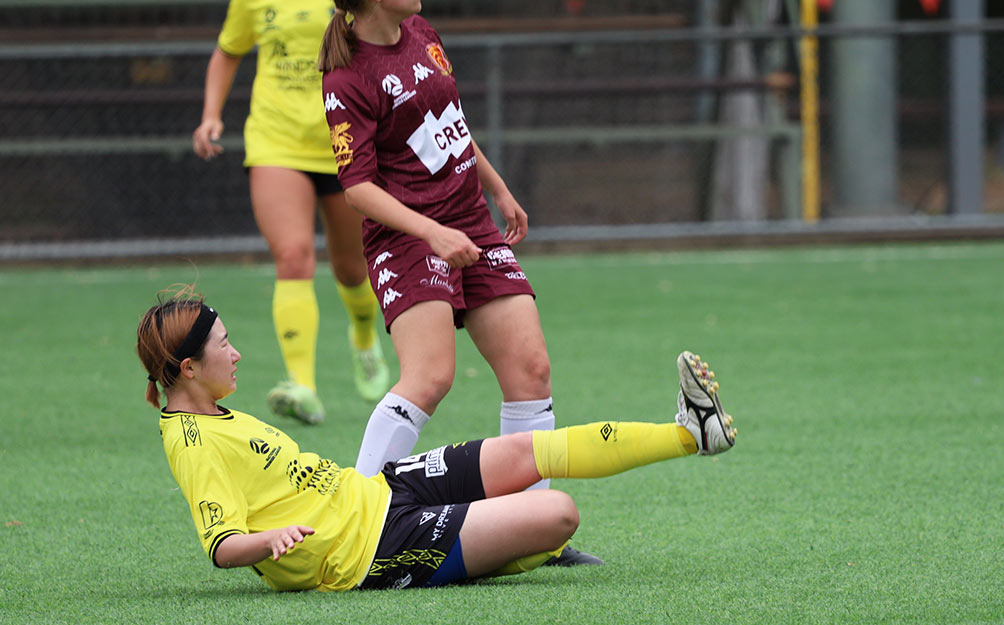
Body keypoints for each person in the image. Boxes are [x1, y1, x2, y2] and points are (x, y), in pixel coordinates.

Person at [136, 287, 738, 591]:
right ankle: (475, 547)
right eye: (223, 347)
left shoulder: (219, 414)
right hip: (369, 551)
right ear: (188, 368)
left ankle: (689, 434)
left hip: (379, 491)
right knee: (558, 512)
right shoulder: (191, 440)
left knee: (528, 455)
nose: (236, 354)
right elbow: (220, 546)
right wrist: (271, 539)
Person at [315, 1, 600, 566]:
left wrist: (497, 188)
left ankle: (532, 536)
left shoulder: (420, 30)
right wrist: (433, 234)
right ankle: (355, 525)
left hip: (471, 223)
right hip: (409, 239)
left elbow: (451, 126)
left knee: (531, 369)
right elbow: (358, 190)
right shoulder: (347, 76)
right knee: (430, 377)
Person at [191, 0, 390, 425]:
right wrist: (211, 116)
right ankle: (303, 384)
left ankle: (364, 335)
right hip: (275, 141)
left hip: (344, 142)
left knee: (353, 269)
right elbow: (228, 51)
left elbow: (385, 45)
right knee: (294, 255)